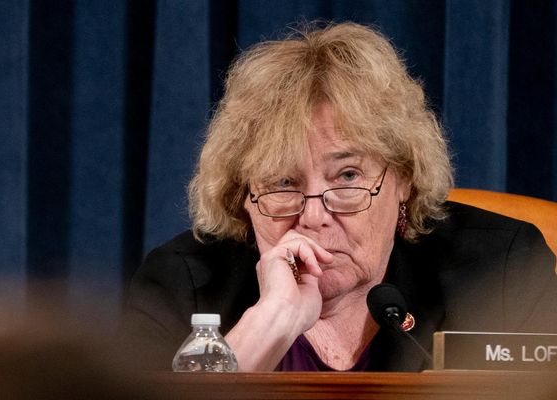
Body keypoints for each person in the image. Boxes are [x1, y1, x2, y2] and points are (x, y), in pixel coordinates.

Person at [122, 22, 557, 372]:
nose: (313, 216)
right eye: (282, 183)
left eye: (347, 175)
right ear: (243, 197)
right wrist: (271, 322)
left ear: (404, 178)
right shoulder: (181, 284)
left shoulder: (502, 271)